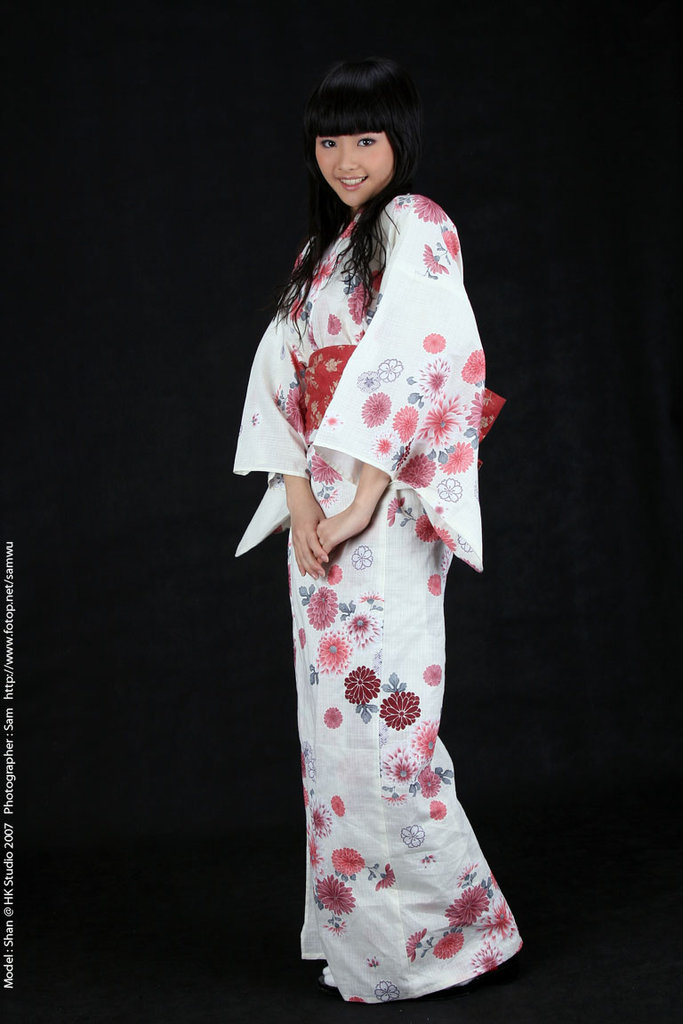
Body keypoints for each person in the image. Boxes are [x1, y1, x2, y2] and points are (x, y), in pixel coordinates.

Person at [233, 56, 522, 1004]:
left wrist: (359, 498)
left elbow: (424, 354)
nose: (347, 159)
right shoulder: (319, 256)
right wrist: (303, 504)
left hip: (384, 501)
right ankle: (367, 945)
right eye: (330, 140)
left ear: (400, 139)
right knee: (333, 735)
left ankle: (448, 938)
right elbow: (279, 382)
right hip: (322, 508)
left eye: (365, 138)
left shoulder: (416, 224)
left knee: (387, 722)